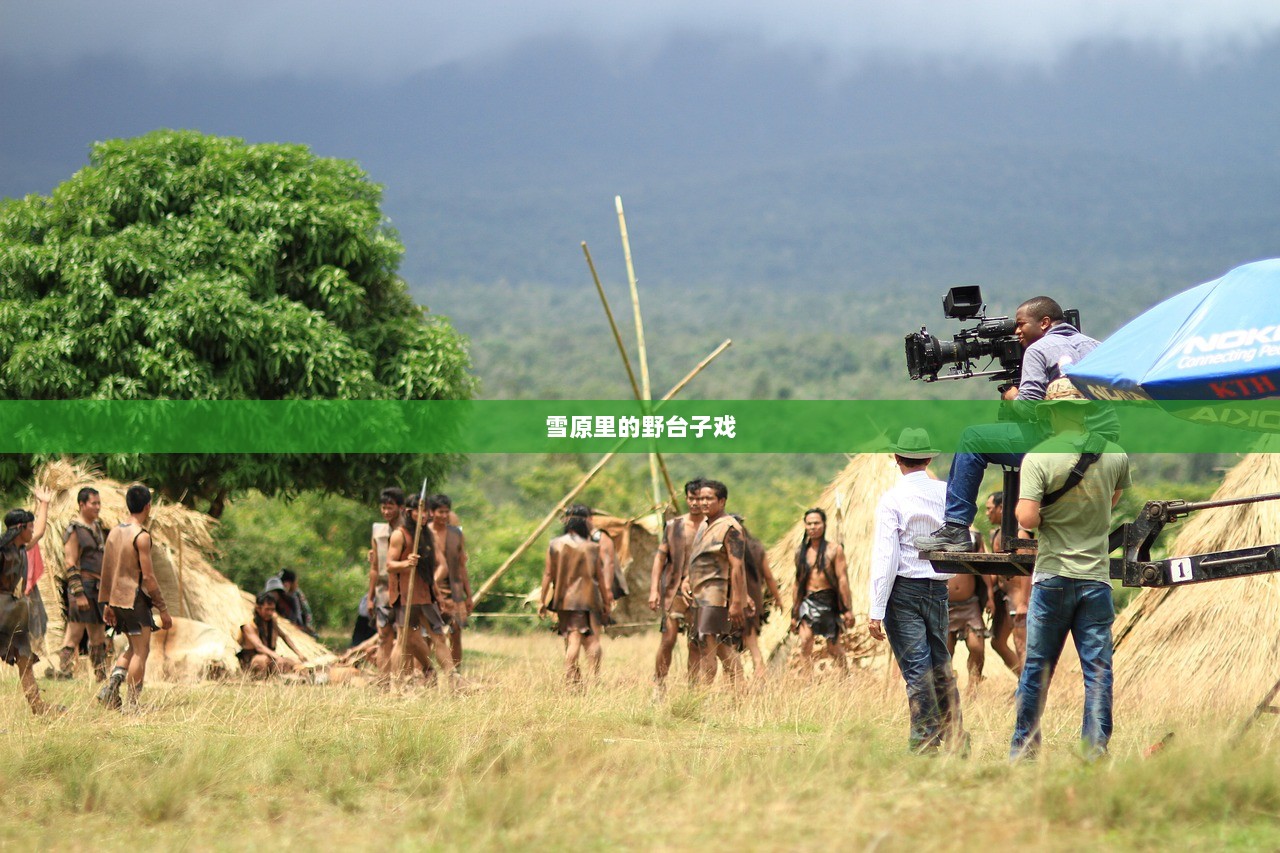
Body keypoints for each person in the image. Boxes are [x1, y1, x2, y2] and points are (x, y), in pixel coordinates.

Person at [915, 296, 1108, 552]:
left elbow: (1028, 407)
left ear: (1045, 323)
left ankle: (956, 527)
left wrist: (1011, 396)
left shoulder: (1038, 350)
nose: (1017, 332)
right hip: (1098, 446)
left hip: (1053, 444)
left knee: (972, 438)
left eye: (1021, 325)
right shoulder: (1097, 347)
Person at [1009, 378, 1130, 761]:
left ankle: (1025, 753)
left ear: (1053, 413)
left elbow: (1026, 519)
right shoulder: (1114, 454)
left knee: (1037, 671)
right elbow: (1111, 503)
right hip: (1095, 578)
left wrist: (1035, 512)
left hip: (1054, 577)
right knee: (1097, 672)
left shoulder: (1040, 457)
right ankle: (1094, 751)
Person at [867, 429, 964, 754]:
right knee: (941, 665)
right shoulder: (947, 492)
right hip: (938, 587)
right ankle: (954, 737)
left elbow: (886, 556)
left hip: (903, 591)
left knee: (917, 669)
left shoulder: (891, 499)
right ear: (928, 458)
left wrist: (876, 610)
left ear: (897, 459)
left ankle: (924, 742)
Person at [97, 484, 173, 712]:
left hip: (116, 600)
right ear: (148, 506)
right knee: (142, 651)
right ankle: (132, 704)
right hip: (134, 599)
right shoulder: (141, 536)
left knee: (132, 648)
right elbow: (148, 577)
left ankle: (111, 687)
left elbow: (107, 570)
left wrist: (107, 604)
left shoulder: (114, 532)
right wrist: (163, 609)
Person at [539, 506, 612, 686]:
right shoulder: (592, 547)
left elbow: (548, 574)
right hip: (589, 599)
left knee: (572, 640)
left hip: (564, 600)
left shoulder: (554, 545)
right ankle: (594, 678)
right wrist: (606, 600)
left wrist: (542, 600)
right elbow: (600, 577)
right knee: (593, 640)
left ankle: (570, 678)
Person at [386, 494, 454, 684]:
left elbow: (432, 569)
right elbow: (389, 565)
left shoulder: (427, 535)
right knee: (402, 640)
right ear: (409, 512)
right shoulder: (399, 535)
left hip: (426, 595)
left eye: (426, 511)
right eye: (419, 511)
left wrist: (438, 594)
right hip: (406, 596)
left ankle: (453, 679)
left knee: (439, 637)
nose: (424, 515)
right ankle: (396, 686)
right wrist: (405, 563)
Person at [684, 480, 747, 685]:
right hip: (699, 596)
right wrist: (687, 580)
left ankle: (702, 698)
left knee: (707, 646)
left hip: (714, 596)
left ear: (721, 501)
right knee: (720, 646)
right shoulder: (705, 524)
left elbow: (737, 566)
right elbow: (698, 558)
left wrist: (737, 602)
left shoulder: (730, 527)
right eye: (700, 498)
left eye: (708, 498)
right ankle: (740, 691)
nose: (703, 502)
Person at [1, 502, 60, 715]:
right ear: (19, 528)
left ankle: (38, 707)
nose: (32, 530)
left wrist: (43, 503)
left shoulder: (21, 549)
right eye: (29, 527)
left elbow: (42, 530)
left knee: (25, 658)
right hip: (2, 610)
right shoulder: (3, 552)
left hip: (13, 613)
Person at [647, 478, 704, 692]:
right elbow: (660, 559)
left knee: (695, 642)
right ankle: (659, 685)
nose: (696, 503)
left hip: (701, 590)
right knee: (668, 638)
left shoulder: (711, 526)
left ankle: (693, 689)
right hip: (673, 590)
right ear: (686, 498)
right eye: (692, 499)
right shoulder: (674, 526)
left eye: (700, 499)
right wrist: (654, 590)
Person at [50, 487, 111, 681]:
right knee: (75, 632)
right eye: (93, 503)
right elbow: (70, 562)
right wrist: (78, 593)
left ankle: (101, 674)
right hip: (83, 587)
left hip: (98, 588)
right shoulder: (75, 529)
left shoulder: (98, 528)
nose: (97, 507)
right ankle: (65, 671)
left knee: (98, 634)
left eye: (98, 503)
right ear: (82, 504)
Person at [791, 508, 853, 677]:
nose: (813, 527)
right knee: (805, 642)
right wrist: (794, 612)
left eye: (816, 523)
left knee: (833, 647)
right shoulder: (800, 552)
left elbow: (842, 580)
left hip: (829, 601)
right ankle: (807, 681)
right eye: (809, 523)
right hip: (808, 601)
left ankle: (845, 677)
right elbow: (797, 582)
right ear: (805, 526)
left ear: (824, 525)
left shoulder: (834, 550)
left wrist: (847, 609)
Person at [985, 491, 1027, 675]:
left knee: (1021, 645)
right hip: (1003, 597)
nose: (987, 513)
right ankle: (1023, 682)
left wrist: (1024, 602)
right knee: (998, 642)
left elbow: (1028, 570)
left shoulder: (1020, 534)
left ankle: (1029, 692)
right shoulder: (996, 534)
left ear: (1001, 508)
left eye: (989, 509)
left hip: (1018, 598)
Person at [738, 516, 784, 679]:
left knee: (730, 648)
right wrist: (778, 598)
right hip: (754, 602)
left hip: (735, 603)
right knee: (753, 645)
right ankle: (759, 680)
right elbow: (769, 577)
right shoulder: (756, 547)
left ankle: (735, 685)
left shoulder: (730, 549)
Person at [428, 494, 471, 669]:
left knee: (456, 631)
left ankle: (456, 674)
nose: (444, 516)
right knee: (427, 633)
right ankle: (424, 672)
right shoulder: (424, 533)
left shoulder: (456, 534)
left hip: (455, 589)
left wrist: (469, 595)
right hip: (430, 588)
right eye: (440, 512)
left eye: (447, 512)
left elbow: (461, 566)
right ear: (432, 512)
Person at [368, 486, 405, 674]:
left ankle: (401, 679)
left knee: (405, 637)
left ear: (400, 507)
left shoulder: (409, 531)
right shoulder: (378, 531)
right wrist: (370, 597)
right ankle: (383, 680)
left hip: (404, 590)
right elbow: (374, 567)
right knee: (383, 636)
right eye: (383, 507)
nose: (386, 511)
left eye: (390, 507)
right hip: (383, 591)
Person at [237, 593, 307, 678]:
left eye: (272, 609)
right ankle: (258, 680)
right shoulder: (248, 625)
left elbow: (284, 636)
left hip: (270, 657)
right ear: (258, 608)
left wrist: (299, 653)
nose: (270, 613)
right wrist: (277, 657)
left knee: (294, 662)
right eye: (267, 609)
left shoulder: (272, 622)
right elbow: (259, 646)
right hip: (251, 661)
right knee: (262, 660)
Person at [945, 569, 987, 688]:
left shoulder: (975, 548)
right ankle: (947, 688)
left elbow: (983, 565)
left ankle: (973, 684)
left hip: (969, 603)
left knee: (977, 647)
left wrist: (989, 594)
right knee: (945, 650)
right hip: (945, 603)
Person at [264, 569, 316, 638]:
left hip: (297, 625)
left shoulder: (296, 595)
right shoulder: (276, 592)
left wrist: (308, 626)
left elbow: (306, 612)